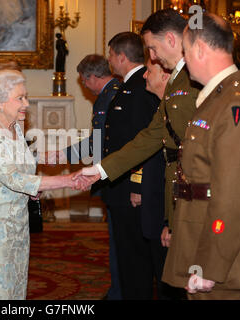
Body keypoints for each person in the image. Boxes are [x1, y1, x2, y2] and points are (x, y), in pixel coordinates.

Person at [74, 9, 201, 249]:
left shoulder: (194, 77)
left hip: (198, 190)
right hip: (181, 188)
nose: (150, 57)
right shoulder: (179, 80)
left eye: (152, 48)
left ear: (171, 40)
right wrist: (100, 170)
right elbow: (151, 136)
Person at [0, 69, 88, 300]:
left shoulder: (14, 126)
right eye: (20, 98)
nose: (26, 104)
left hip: (15, 222)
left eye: (25, 97)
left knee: (14, 285)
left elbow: (19, 161)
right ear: (0, 101)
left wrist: (42, 158)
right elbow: (14, 178)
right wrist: (68, 180)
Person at [162, 13, 240, 300]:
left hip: (220, 258)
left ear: (199, 50)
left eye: (184, 51)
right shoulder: (216, 97)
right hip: (198, 237)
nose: (184, 60)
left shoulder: (233, 102)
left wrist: (210, 266)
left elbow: (231, 194)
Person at [100, 32, 164, 299]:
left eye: (111, 54)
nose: (110, 60)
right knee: (127, 256)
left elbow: (145, 141)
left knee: (135, 259)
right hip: (120, 186)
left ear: (121, 56)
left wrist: (138, 185)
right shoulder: (128, 85)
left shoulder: (140, 87)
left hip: (130, 190)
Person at [62, 54, 121, 300]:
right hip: (113, 172)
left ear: (93, 77)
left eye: (85, 81)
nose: (85, 86)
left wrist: (62, 154)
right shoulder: (110, 94)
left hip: (116, 176)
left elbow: (98, 143)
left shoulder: (110, 97)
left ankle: (119, 292)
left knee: (119, 242)